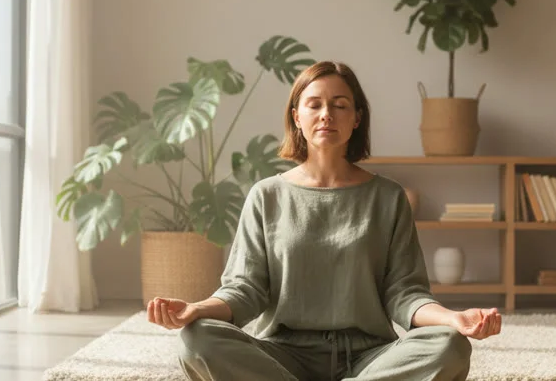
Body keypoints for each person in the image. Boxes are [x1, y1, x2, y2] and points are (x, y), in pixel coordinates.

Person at [147, 61, 502, 380]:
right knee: (197, 338)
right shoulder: (266, 195)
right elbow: (245, 290)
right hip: (282, 357)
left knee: (449, 346)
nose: (326, 114)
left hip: (371, 356)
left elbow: (405, 294)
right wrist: (195, 308)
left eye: (340, 105)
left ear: (357, 118)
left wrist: (453, 318)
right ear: (296, 117)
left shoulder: (388, 197)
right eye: (314, 104)